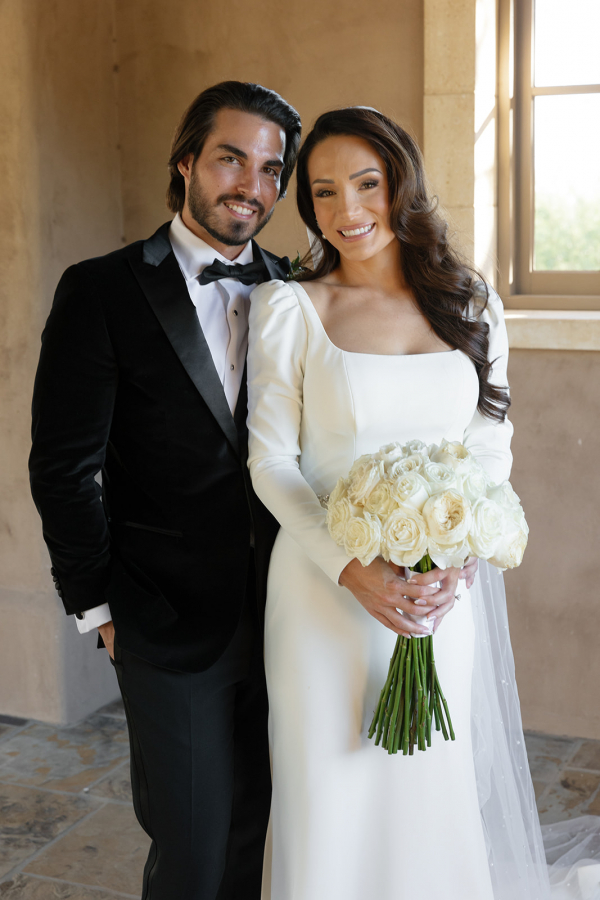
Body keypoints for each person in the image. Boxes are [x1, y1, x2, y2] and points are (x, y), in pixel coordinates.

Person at [247, 107, 551, 899]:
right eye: (322, 193)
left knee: (426, 784)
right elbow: (272, 463)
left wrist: (458, 557)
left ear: (401, 185)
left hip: (436, 597)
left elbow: (489, 444)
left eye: (366, 184)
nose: (347, 211)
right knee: (330, 787)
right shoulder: (293, 310)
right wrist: (355, 570)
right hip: (322, 595)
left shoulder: (473, 302)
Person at [29, 81, 301, 900]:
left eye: (270, 169)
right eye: (230, 158)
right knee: (191, 849)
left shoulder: (300, 291)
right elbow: (65, 468)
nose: (250, 185)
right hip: (164, 624)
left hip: (292, 617)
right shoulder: (102, 289)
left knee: (267, 833)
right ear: (185, 161)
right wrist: (98, 609)